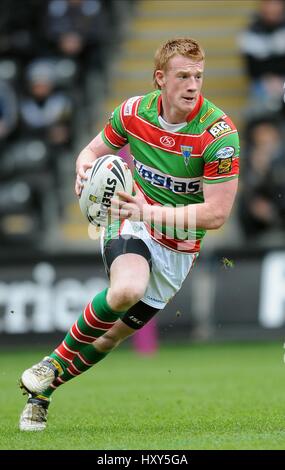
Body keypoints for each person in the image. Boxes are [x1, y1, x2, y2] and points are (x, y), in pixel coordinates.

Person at [18, 37, 240, 431]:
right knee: (125, 290)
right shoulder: (133, 112)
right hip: (129, 218)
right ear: (161, 78)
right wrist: (83, 168)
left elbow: (216, 214)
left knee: (107, 340)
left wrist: (151, 212)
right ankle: (51, 362)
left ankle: (43, 392)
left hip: (179, 245)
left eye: (199, 76)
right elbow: (90, 151)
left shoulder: (219, 136)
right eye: (183, 76)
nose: (193, 85)